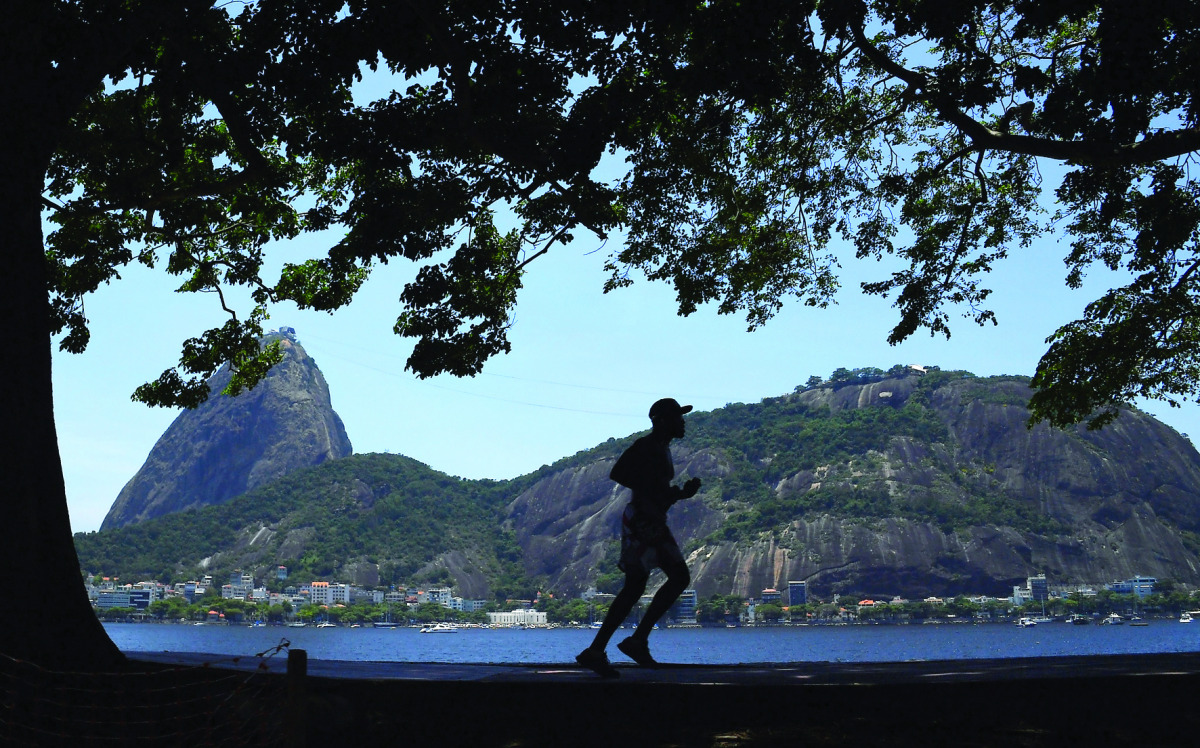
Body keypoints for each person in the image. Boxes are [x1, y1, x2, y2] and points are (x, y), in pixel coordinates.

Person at [576, 397, 701, 677]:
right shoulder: (645, 446)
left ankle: (613, 646)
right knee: (671, 578)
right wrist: (654, 492)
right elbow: (618, 473)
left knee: (640, 585)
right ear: (662, 421)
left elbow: (656, 491)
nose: (683, 422)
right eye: (678, 417)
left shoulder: (662, 448)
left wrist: (679, 493)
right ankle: (628, 643)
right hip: (643, 521)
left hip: (650, 519)